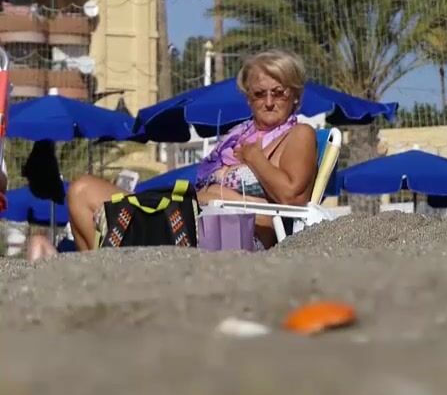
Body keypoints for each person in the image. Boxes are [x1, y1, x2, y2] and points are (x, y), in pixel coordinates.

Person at [67, 50, 318, 249]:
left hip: (235, 236)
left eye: (279, 93)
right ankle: (104, 275)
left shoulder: (298, 134)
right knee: (82, 191)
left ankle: (116, 268)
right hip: (190, 218)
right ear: (248, 98)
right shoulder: (237, 137)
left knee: (123, 217)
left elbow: (292, 199)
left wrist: (254, 158)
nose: (269, 102)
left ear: (295, 95)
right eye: (260, 94)